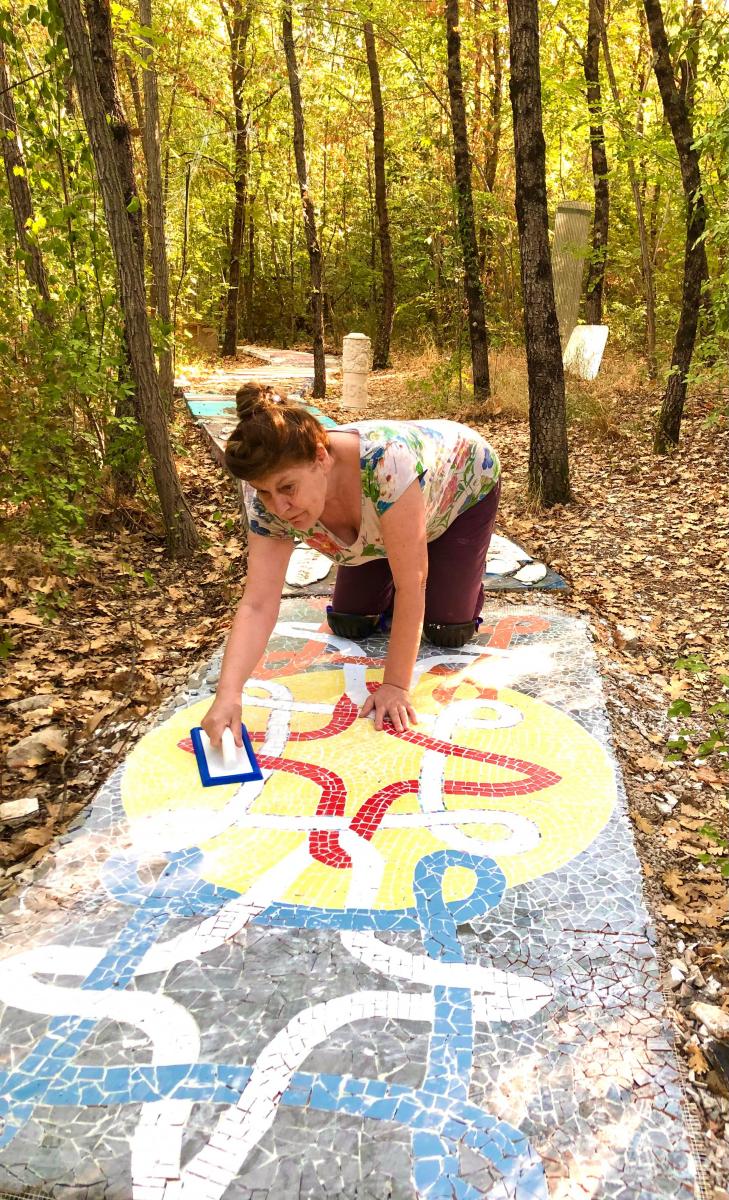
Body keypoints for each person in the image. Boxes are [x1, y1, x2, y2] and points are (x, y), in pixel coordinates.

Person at [201, 382, 500, 743]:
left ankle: (443, 564)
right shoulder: (266, 492)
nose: (279, 507)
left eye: (287, 488)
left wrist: (395, 685)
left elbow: (413, 582)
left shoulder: (386, 462)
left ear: (320, 457)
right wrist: (228, 694)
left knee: (447, 630)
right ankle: (397, 549)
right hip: (383, 520)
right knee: (349, 622)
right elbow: (258, 602)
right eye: (266, 492)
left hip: (461, 484)